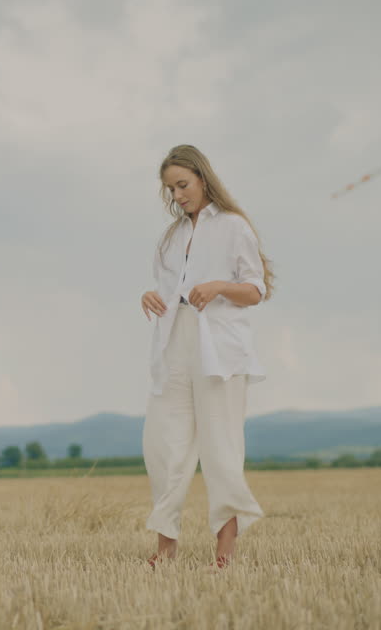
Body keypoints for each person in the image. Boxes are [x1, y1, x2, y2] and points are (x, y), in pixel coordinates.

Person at [139, 144, 274, 570]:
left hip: (219, 348)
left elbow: (255, 290)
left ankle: (224, 555)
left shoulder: (234, 226)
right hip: (174, 342)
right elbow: (167, 289)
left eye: (183, 185)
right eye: (170, 189)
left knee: (221, 449)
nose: (177, 195)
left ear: (202, 177)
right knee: (164, 445)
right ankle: (166, 550)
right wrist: (150, 296)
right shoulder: (173, 236)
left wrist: (217, 286)